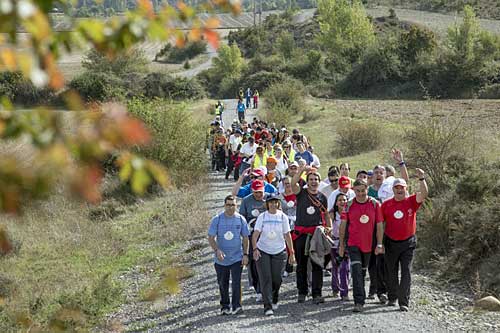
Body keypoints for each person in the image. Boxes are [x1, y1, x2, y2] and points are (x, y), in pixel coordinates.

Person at [382, 170, 428, 312]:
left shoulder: (411, 201)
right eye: (397, 188)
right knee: (391, 271)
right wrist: (380, 242)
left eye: (402, 187)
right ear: (393, 190)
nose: (399, 190)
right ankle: (392, 297)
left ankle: (404, 302)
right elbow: (381, 224)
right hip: (390, 242)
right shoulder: (386, 205)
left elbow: (424, 194)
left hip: (408, 242)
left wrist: (422, 178)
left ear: (406, 189)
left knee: (406, 271)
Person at [338, 179, 384, 313]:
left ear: (367, 189)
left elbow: (379, 225)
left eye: (362, 191)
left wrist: (380, 243)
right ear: (353, 190)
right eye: (357, 191)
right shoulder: (349, 205)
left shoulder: (375, 204)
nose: (360, 194)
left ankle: (365, 292)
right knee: (357, 271)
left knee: (363, 271)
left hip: (369, 244)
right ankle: (359, 301)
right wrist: (341, 245)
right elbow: (343, 225)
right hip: (353, 244)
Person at [291, 165, 332, 304]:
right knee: (301, 264)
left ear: (319, 182)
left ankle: (317, 293)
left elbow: (326, 214)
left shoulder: (322, 197)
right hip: (301, 233)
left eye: (316, 179)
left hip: (316, 234)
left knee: (317, 264)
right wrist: (302, 170)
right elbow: (293, 183)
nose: (314, 181)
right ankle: (302, 292)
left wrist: (329, 227)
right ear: (307, 181)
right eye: (311, 179)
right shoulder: (301, 193)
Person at [252, 194, 295, 316]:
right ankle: (267, 306)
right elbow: (255, 234)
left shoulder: (283, 217)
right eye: (270, 202)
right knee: (266, 278)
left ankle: (275, 296)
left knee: (277, 279)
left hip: (279, 251)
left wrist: (291, 253)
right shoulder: (262, 217)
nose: (273, 204)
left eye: (275, 202)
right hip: (263, 250)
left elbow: (287, 235)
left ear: (278, 203)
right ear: (267, 204)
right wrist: (255, 249)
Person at [208, 195, 250, 315]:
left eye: (233, 205)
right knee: (223, 283)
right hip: (221, 259)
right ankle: (225, 306)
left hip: (237, 257)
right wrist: (217, 250)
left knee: (236, 282)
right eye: (228, 205)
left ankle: (237, 306)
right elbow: (211, 237)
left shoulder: (241, 219)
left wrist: (246, 254)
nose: (230, 207)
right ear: (224, 205)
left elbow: (245, 238)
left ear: (236, 206)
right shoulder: (217, 219)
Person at [239, 180, 268, 303]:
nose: (258, 195)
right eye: (256, 192)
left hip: (267, 235)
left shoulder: (268, 200)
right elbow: (242, 218)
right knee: (254, 262)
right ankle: (258, 289)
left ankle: (267, 288)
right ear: (252, 191)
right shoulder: (246, 201)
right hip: (251, 235)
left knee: (266, 262)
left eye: (260, 192)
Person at [329, 192, 350, 301]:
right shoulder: (332, 214)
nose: (342, 202)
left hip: (346, 243)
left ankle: (344, 292)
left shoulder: (350, 213)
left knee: (344, 268)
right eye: (340, 200)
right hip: (334, 243)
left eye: (344, 200)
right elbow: (329, 227)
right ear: (336, 203)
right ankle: (335, 289)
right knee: (335, 267)